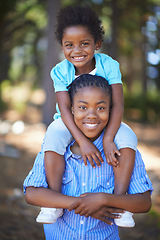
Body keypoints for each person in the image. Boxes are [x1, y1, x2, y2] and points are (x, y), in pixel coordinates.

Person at [33, 5, 137, 225]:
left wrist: (108, 139)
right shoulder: (60, 71)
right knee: (53, 134)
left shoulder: (109, 65)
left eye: (85, 44)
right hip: (69, 121)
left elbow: (117, 105)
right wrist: (82, 141)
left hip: (103, 120)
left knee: (128, 136)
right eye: (69, 45)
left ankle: (119, 203)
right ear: (62, 45)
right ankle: (53, 202)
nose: (76, 50)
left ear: (97, 44)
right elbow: (63, 109)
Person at [24, 74, 153, 240]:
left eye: (100, 108)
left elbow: (144, 202)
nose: (92, 115)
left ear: (111, 110)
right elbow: (32, 194)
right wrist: (84, 205)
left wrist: (103, 199)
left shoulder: (122, 151)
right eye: (83, 107)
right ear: (71, 109)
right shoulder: (55, 148)